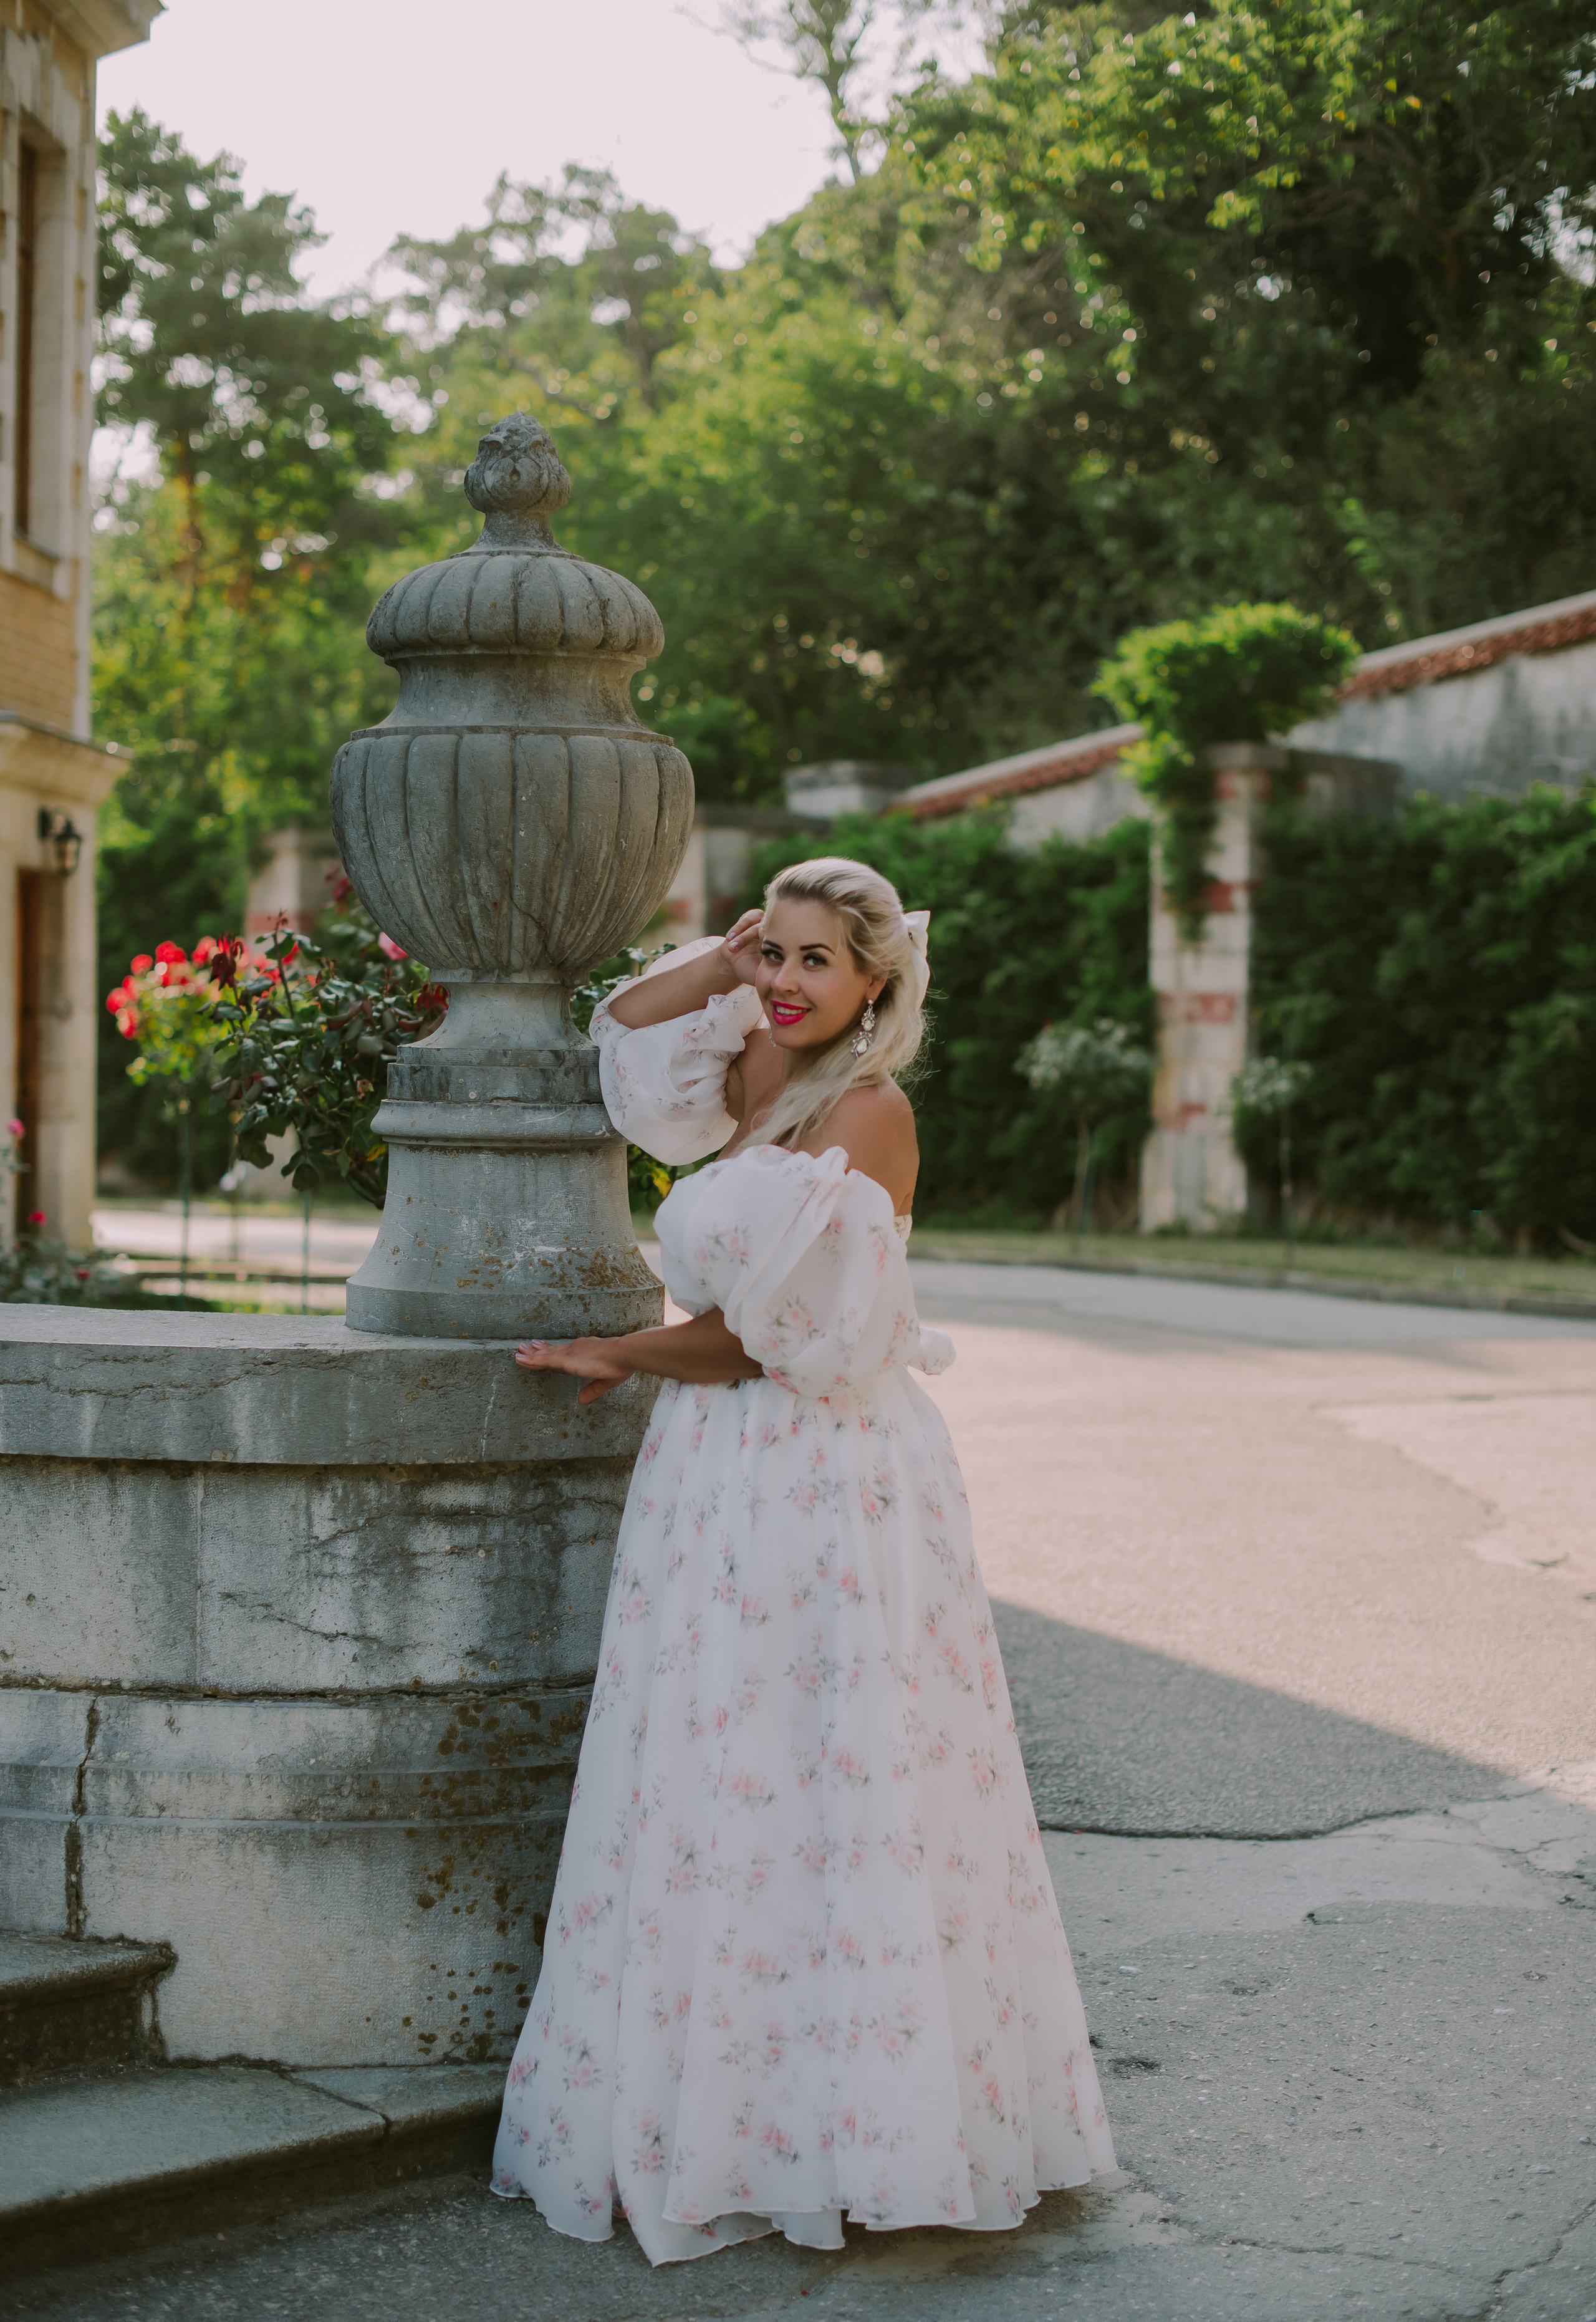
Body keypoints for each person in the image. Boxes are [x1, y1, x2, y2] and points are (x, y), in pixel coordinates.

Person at [491, 855, 1114, 2263]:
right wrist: (723, 965)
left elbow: (779, 1338)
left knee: (823, 1773)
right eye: (772, 952)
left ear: (874, 985)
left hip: (816, 1474)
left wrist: (617, 1348)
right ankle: (730, 2104)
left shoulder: (871, 1111)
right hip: (718, 1473)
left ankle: (849, 2124)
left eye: (813, 962)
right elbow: (624, 1027)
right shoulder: (744, 1078)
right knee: (719, 1771)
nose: (781, 982)